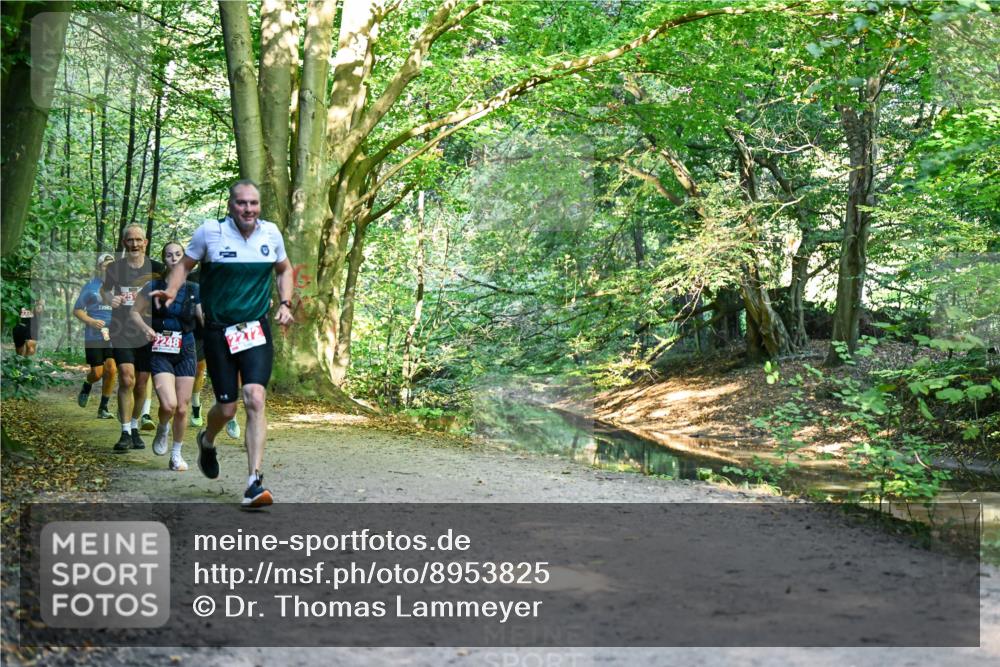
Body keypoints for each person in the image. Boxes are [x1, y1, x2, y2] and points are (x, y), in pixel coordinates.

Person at [153, 180, 293, 507]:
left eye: (253, 203)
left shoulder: (271, 234)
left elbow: (284, 269)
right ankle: (207, 439)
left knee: (255, 397)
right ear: (231, 205)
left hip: (255, 329)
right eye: (242, 203)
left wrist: (286, 303)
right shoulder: (210, 232)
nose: (248, 209)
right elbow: (184, 266)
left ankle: (254, 481)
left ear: (259, 206)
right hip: (218, 331)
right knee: (227, 408)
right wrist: (172, 291)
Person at [131, 242, 202, 471]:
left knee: (182, 408)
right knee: (169, 405)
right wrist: (146, 328)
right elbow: (134, 312)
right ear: (164, 259)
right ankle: (163, 427)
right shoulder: (153, 286)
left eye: (178, 254)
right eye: (169, 255)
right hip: (161, 348)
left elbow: (204, 318)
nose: (174, 258)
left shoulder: (193, 289)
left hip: (186, 349)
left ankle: (176, 455)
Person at [102, 224, 164, 452]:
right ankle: (125, 432)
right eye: (130, 240)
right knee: (127, 379)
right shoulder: (115, 268)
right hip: (122, 330)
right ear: (124, 243)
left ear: (145, 242)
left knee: (141, 383)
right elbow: (104, 290)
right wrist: (110, 299)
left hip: (148, 331)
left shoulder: (158, 268)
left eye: (139, 240)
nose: (135, 244)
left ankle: (135, 426)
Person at [73, 253, 117, 418]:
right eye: (106, 266)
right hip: (94, 335)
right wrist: (91, 321)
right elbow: (77, 310)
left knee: (111, 369)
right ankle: (87, 384)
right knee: (97, 373)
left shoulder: (120, 286)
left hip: (114, 335)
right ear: (100, 268)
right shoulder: (91, 286)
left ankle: (103, 408)